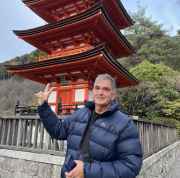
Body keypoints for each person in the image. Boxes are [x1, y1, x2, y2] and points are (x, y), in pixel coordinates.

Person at [36, 74, 143, 178]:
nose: (100, 92)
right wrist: (43, 106)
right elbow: (58, 130)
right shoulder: (81, 113)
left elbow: (131, 166)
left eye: (106, 89)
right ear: (93, 91)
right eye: (97, 88)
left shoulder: (124, 124)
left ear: (113, 95)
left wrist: (87, 171)